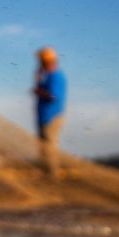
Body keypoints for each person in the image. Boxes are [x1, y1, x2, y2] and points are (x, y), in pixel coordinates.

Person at [33, 47, 66, 177]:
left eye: (41, 62)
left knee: (49, 147)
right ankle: (47, 174)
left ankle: (52, 175)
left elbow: (53, 96)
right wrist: (38, 78)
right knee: (44, 148)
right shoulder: (48, 76)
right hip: (45, 117)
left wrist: (39, 91)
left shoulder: (56, 76)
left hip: (52, 117)